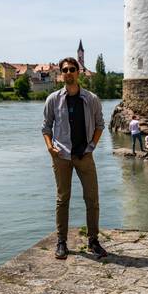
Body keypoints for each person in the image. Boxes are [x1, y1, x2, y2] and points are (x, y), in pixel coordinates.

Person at [42, 57, 107, 259]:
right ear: (61, 74)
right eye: (65, 70)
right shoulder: (53, 99)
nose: (68, 72)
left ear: (78, 73)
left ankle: (93, 241)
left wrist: (92, 146)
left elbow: (99, 125)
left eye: (72, 69)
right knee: (63, 199)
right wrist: (50, 148)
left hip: (84, 154)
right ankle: (61, 242)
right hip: (61, 155)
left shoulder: (91, 99)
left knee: (92, 199)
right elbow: (46, 127)